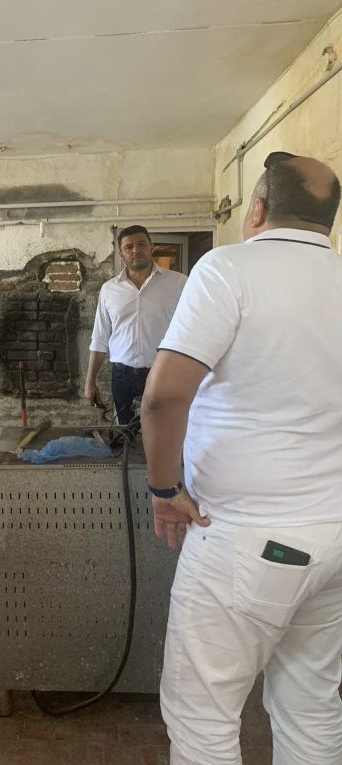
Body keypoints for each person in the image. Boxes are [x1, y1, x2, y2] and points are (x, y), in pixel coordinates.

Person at [141, 151, 342, 765]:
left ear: (257, 208)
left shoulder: (227, 268)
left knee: (202, 713)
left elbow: (163, 396)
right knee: (312, 705)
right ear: (329, 218)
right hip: (333, 534)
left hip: (248, 539)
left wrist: (164, 490)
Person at [85, 225, 187, 427]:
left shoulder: (178, 283)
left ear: (151, 247)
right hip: (122, 376)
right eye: (128, 247)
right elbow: (100, 338)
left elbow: (191, 330)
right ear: (121, 253)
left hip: (164, 373)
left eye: (141, 244)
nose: (135, 250)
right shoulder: (109, 290)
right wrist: (90, 381)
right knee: (126, 432)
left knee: (164, 430)